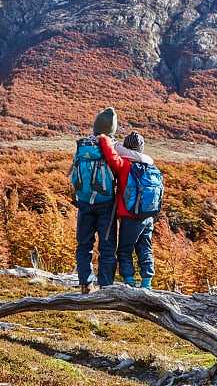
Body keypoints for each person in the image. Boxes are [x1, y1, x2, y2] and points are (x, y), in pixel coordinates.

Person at [98, 130, 156, 289]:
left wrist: (103, 138)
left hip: (130, 217)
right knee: (145, 248)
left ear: (126, 146)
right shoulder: (150, 165)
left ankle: (129, 283)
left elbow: (110, 156)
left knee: (124, 250)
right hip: (148, 216)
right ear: (141, 148)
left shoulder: (125, 164)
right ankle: (147, 283)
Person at [74, 107, 119, 294]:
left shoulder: (83, 145)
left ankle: (86, 283)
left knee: (84, 244)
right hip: (106, 203)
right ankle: (106, 288)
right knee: (107, 246)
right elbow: (118, 171)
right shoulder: (111, 146)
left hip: (84, 201)